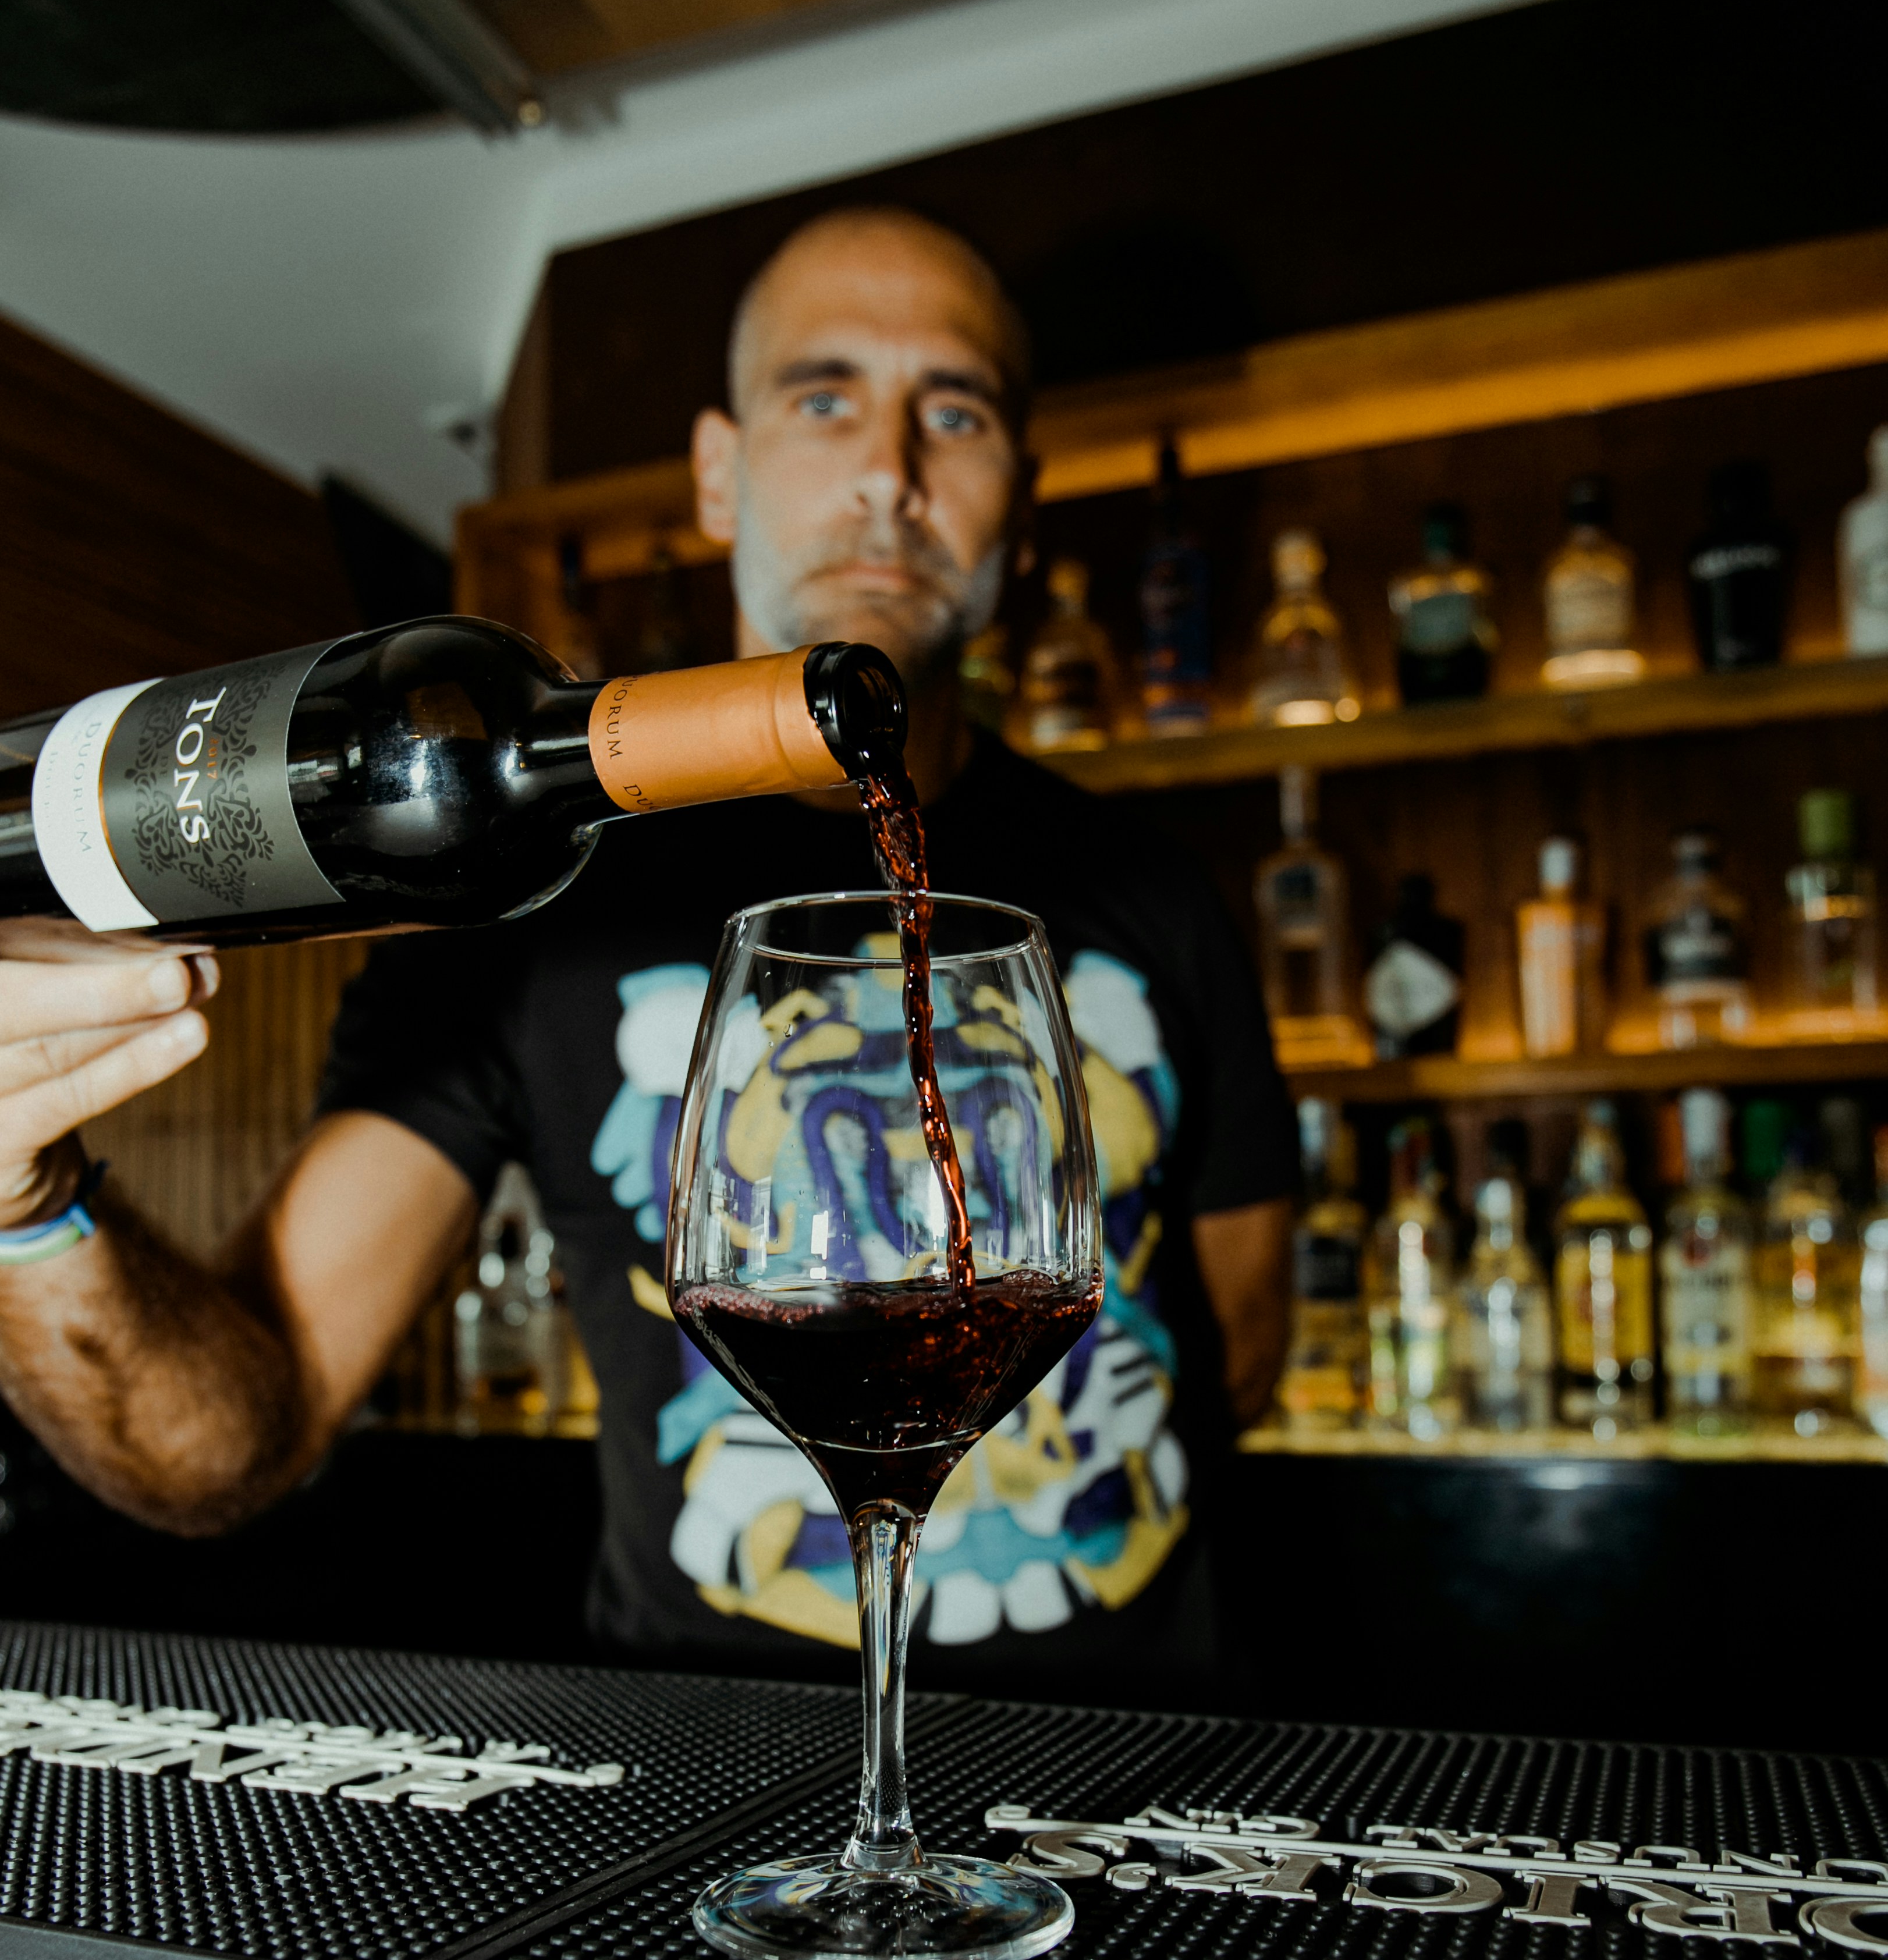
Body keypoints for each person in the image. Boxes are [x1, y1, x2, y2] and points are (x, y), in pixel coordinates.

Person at [0, 208, 1295, 1699]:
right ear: (716, 473)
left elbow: (1242, 1336)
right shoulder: (518, 902)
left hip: (1137, 1744)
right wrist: (22, 1205)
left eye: (955, 413)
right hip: (705, 1769)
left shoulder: (1152, 887)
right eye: (824, 399)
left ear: (1022, 492)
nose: (889, 471)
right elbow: (228, 1440)